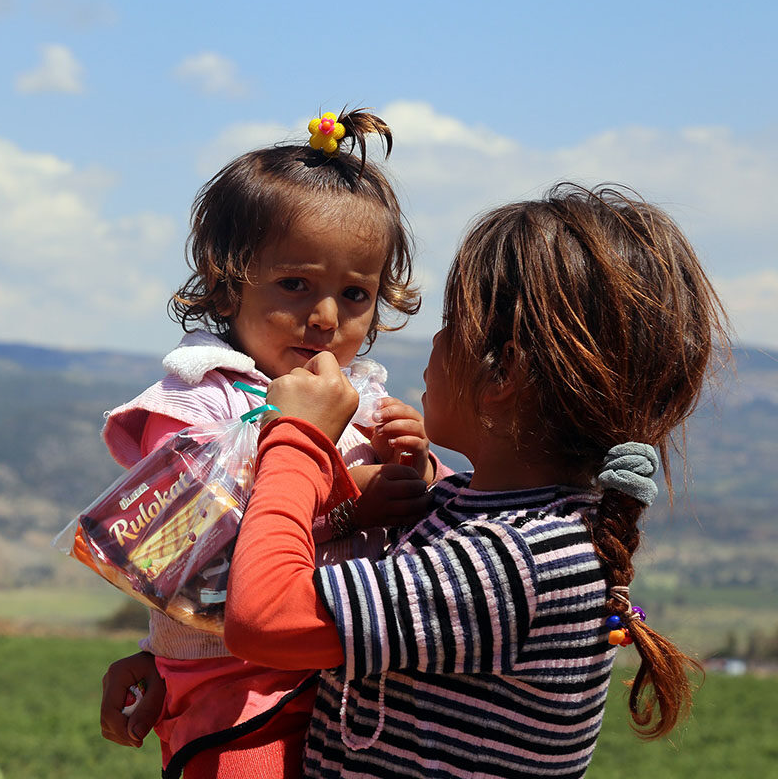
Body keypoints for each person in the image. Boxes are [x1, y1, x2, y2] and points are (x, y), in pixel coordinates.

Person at [222, 183, 729, 778]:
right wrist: (163, 663)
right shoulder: (475, 511)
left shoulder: (519, 561)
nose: (432, 344)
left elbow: (266, 620)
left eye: (451, 323)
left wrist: (295, 437)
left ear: (503, 373)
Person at [98, 107, 451, 779]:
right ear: (227, 286)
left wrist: (417, 467)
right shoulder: (197, 401)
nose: (324, 318)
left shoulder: (365, 401)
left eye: (354, 294)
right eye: (296, 285)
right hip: (233, 698)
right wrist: (351, 508)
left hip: (354, 692)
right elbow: (182, 560)